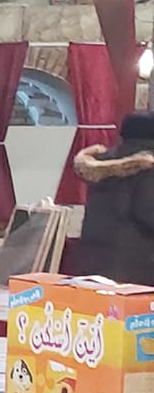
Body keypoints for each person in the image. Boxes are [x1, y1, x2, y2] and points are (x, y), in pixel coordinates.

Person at [73, 110, 154, 285]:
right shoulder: (148, 167)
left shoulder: (102, 162)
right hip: (137, 270)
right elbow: (148, 213)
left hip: (97, 261)